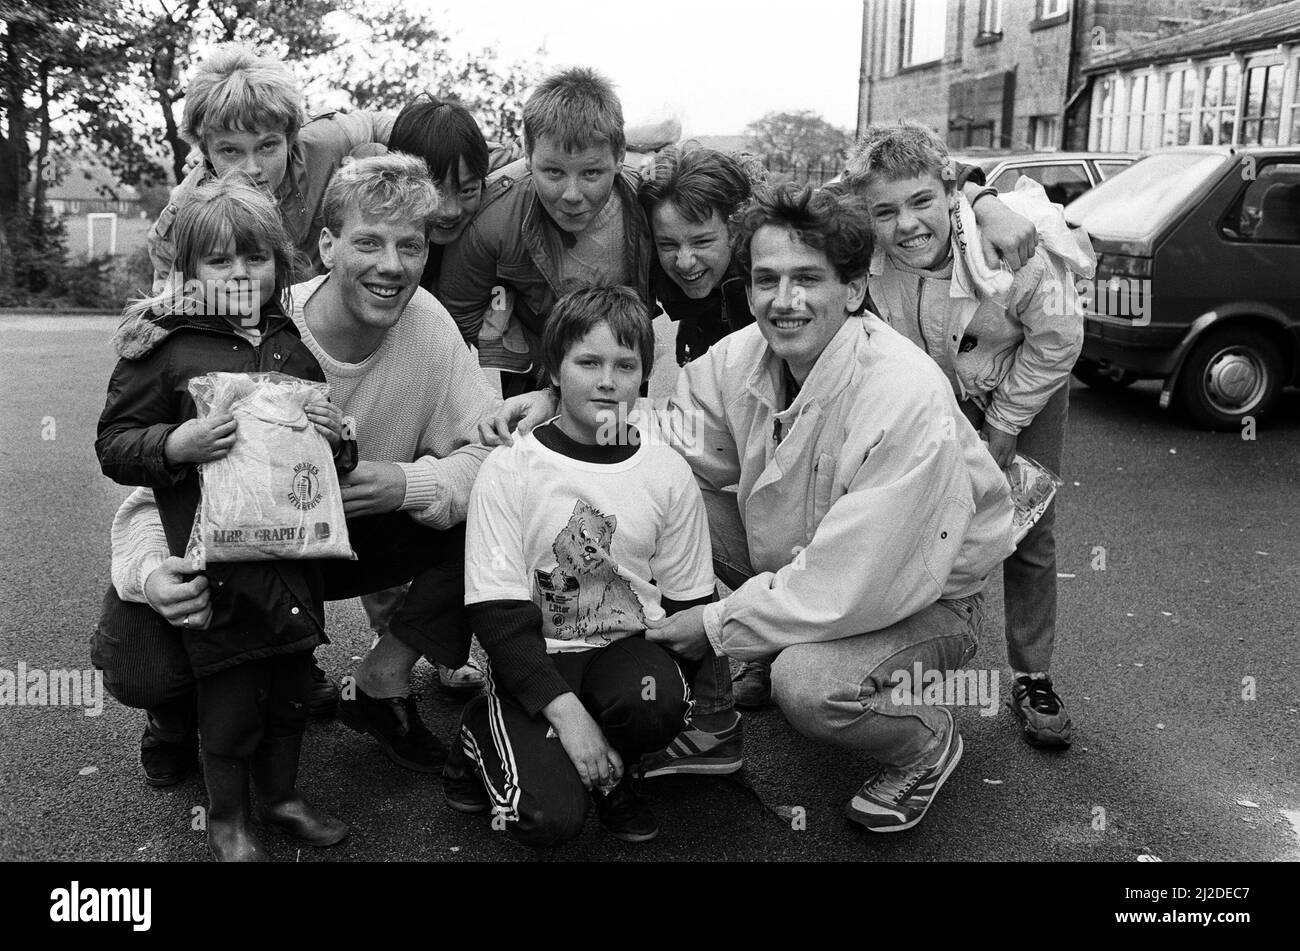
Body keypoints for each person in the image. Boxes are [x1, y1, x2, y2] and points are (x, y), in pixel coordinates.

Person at [483, 184, 1016, 832]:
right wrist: (554, 401)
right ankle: (714, 713)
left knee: (811, 684)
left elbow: (849, 584)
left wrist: (711, 624)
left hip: (921, 595)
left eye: (806, 279)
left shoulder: (904, 397)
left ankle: (925, 741)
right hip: (811, 556)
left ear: (852, 291)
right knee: (673, 493)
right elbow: (661, 427)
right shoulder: (749, 354)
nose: (782, 300)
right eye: (767, 279)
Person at [95, 154, 498, 786]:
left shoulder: (432, 329)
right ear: (328, 244)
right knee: (143, 665)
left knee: (494, 512)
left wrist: (407, 484)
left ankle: (380, 682)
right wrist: (149, 574)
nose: (391, 266)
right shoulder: (251, 322)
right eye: (368, 242)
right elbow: (148, 495)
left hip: (351, 535)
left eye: (410, 247)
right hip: (231, 545)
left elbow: (489, 458)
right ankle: (176, 714)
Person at [96, 176, 351, 861]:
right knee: (233, 705)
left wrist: (336, 434)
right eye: (219, 260)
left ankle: (282, 797)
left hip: (296, 566)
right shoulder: (165, 349)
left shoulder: (291, 344)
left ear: (279, 264)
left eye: (256, 257)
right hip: (218, 569)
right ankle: (229, 817)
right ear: (186, 271)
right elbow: (114, 443)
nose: (241, 273)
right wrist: (174, 444)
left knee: (291, 697)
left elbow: (329, 460)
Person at [443, 285, 713, 847]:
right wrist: (570, 721)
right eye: (588, 362)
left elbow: (689, 605)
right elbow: (495, 615)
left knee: (653, 700)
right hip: (536, 657)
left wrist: (692, 695)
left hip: (621, 649)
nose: (607, 380)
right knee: (547, 821)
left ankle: (619, 772)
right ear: (553, 368)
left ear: (644, 375)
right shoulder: (511, 467)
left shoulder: (666, 470)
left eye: (625, 364)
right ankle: (479, 729)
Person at [843, 122, 1084, 748]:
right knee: (929, 519)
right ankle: (918, 667)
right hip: (944, 393)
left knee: (1026, 527)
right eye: (885, 212)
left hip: (1028, 382)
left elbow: (1060, 338)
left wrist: (1005, 424)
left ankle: (1033, 675)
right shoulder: (864, 256)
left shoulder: (1009, 246)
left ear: (949, 190)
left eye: (921, 201)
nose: (907, 226)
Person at [437, 67, 654, 395]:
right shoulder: (493, 216)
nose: (571, 195)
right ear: (527, 153)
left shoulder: (648, 204)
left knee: (620, 444)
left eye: (592, 173)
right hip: (533, 378)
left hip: (622, 374)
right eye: (553, 172)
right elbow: (459, 308)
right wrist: (546, 366)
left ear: (620, 154)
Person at [148, 43, 393, 285]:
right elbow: (166, 295)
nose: (252, 169)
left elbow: (380, 124)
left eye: (267, 146)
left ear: (290, 136)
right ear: (206, 152)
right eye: (231, 150)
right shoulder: (187, 207)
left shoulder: (324, 141)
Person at [639, 146, 760, 366]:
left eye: (702, 242)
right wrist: (691, 318)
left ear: (736, 228)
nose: (684, 263)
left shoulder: (771, 276)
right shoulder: (648, 264)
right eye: (667, 244)